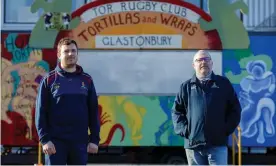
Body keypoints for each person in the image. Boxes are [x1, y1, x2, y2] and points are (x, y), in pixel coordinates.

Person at [35, 38, 100, 165]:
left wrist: (94, 139)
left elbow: (93, 112)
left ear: (77, 53)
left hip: (79, 142)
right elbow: (40, 112)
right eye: (66, 51)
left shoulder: (87, 80)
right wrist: (45, 140)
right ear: (59, 55)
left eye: (73, 51)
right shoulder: (49, 80)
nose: (71, 54)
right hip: (55, 143)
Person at [171, 50, 241, 165]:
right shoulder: (186, 87)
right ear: (194, 65)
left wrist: (225, 130)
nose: (203, 62)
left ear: (212, 63)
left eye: (206, 59)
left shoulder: (223, 84)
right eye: (199, 60)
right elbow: (176, 112)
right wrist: (186, 131)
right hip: (193, 146)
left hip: (217, 144)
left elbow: (235, 109)